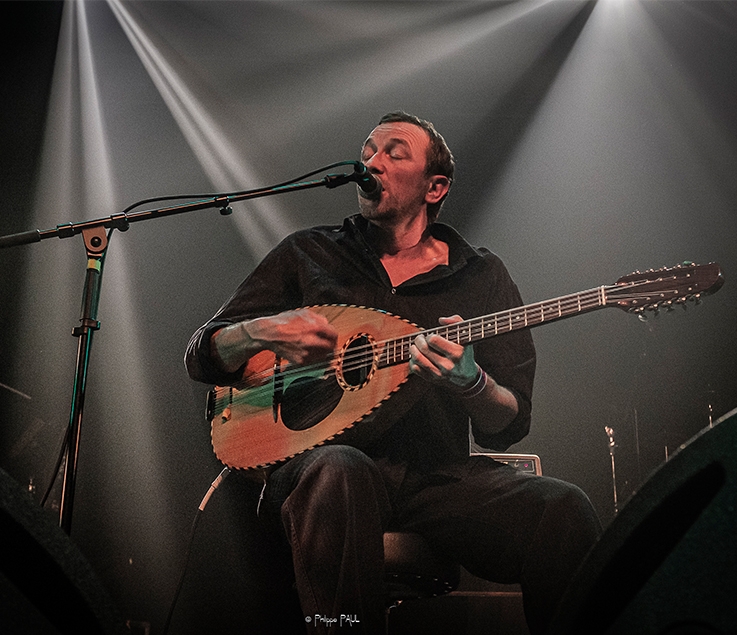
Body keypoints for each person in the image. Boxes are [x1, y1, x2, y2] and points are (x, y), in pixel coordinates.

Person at [185, 111, 601, 634]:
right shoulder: (308, 253)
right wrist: (262, 332)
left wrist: (473, 384)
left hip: (435, 478)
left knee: (563, 510)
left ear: (435, 186)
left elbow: (511, 420)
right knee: (341, 468)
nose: (371, 162)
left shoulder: (482, 277)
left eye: (393, 152)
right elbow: (202, 353)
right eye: (368, 151)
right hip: (321, 473)